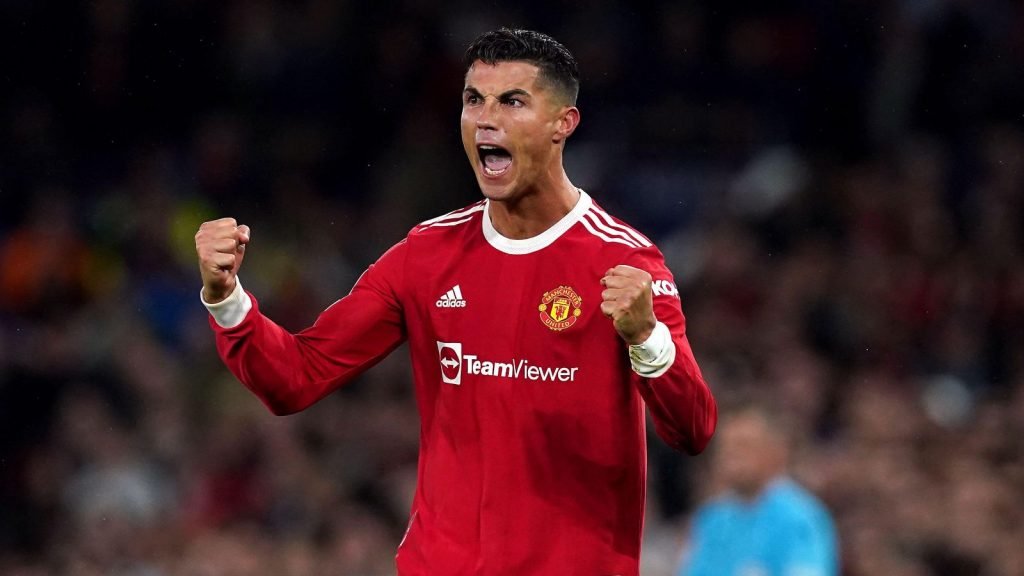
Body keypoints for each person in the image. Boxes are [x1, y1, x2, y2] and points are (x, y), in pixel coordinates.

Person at [195, 28, 717, 576]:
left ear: (563, 123)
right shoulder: (427, 254)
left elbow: (693, 430)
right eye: (473, 100)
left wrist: (647, 338)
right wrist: (226, 297)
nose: (485, 119)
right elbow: (295, 377)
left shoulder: (625, 262)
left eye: (512, 101)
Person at [677, 404, 838, 576]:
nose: (731, 456)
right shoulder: (712, 519)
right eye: (725, 447)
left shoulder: (800, 519)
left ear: (776, 451)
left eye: (743, 445)